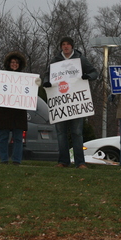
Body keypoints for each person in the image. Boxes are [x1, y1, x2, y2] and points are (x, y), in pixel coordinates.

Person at [42, 37, 98, 169]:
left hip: (76, 103)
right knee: (61, 134)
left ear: (72, 46)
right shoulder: (55, 61)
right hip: (60, 103)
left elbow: (94, 72)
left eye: (68, 44)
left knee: (77, 133)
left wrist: (88, 77)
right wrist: (46, 82)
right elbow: (47, 75)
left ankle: (80, 162)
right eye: (63, 44)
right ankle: (63, 161)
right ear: (61, 47)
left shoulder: (80, 60)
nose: (66, 47)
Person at [0, 51, 41, 165]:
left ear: (20, 64)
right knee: (3, 137)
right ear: (8, 63)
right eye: (12, 62)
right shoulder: (1, 76)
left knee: (18, 138)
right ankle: (4, 159)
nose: (14, 64)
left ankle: (16, 160)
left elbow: (30, 92)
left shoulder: (25, 78)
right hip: (4, 111)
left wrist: (35, 84)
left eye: (16, 62)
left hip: (19, 112)